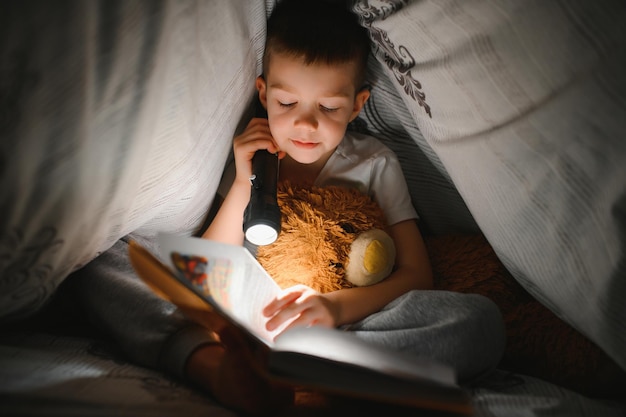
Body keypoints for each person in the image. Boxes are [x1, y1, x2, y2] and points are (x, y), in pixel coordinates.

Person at [193, 0, 506, 414]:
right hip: (266, 326)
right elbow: (204, 270)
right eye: (287, 104)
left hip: (353, 327)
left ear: (357, 106)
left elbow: (417, 273)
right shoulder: (248, 160)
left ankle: (320, 376)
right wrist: (241, 182)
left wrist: (334, 308)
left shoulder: (373, 163)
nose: (306, 124)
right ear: (264, 94)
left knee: (480, 321)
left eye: (328, 108)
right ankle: (303, 376)